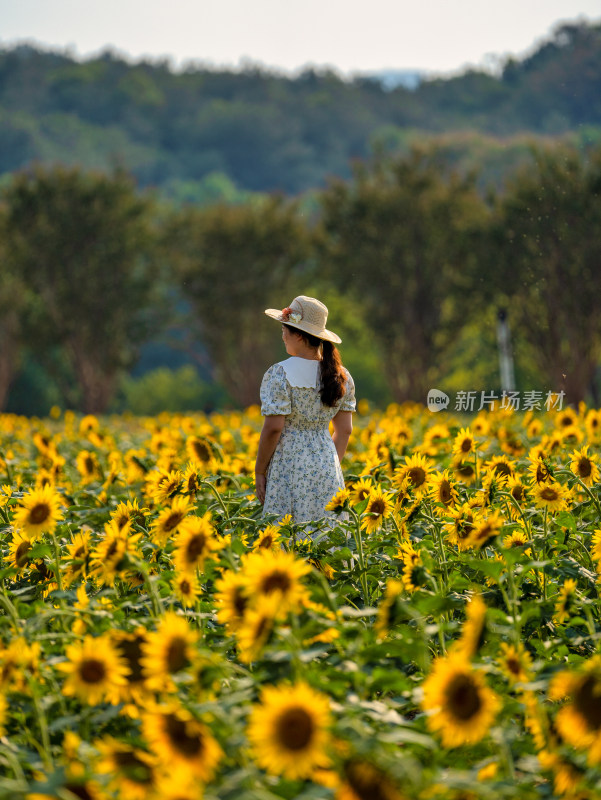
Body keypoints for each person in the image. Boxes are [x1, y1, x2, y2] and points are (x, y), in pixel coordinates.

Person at [255, 295, 356, 523]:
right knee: (327, 539)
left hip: (287, 465)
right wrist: (328, 465)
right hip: (327, 465)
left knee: (289, 536)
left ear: (298, 335)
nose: (282, 336)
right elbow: (345, 430)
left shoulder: (279, 373)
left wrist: (260, 470)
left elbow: (273, 428)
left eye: (285, 330)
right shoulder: (342, 376)